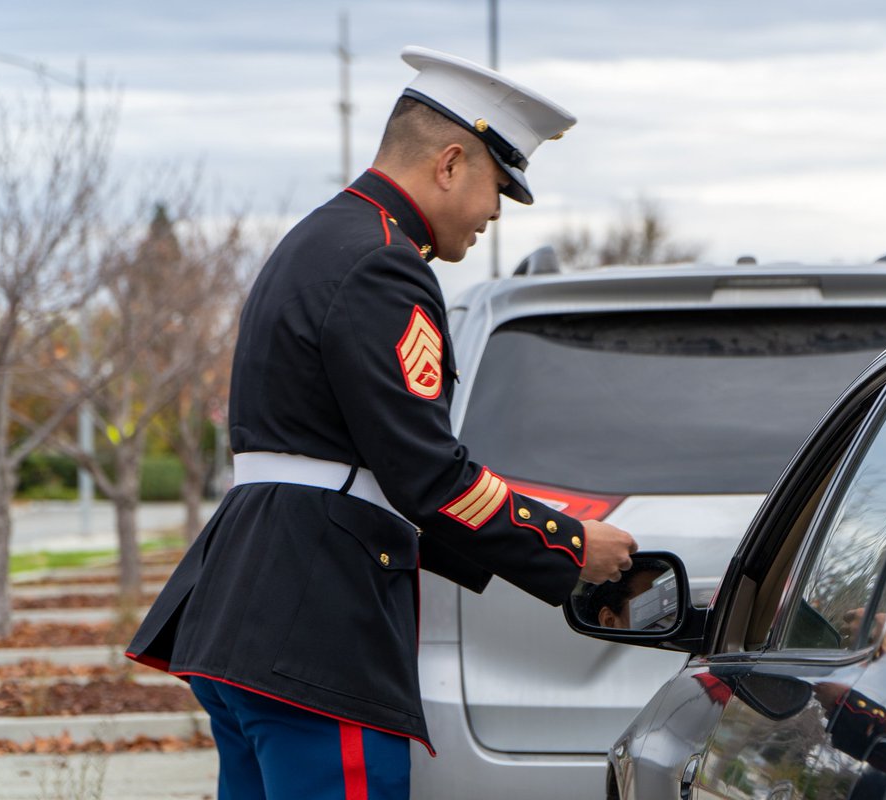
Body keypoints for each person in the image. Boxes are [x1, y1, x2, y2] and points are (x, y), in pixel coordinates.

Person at [126, 46, 638, 800]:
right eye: (499, 187)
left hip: (260, 613)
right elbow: (425, 472)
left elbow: (363, 469)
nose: (497, 212)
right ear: (451, 163)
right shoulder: (382, 262)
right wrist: (568, 544)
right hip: (317, 630)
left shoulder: (324, 238)